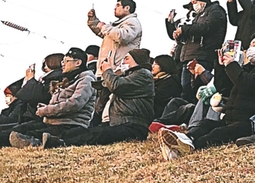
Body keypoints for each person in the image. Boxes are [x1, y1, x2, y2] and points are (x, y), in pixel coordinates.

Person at [157, 32, 255, 158]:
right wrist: (221, 66)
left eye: (254, 45)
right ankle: (185, 139)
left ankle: (188, 146)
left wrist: (232, 65)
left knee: (218, 134)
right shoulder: (247, 68)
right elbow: (224, 88)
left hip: (250, 120)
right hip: (231, 117)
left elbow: (248, 84)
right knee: (205, 124)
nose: (249, 49)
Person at [17, 49, 155, 148]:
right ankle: (53, 141)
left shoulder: (143, 74)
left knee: (97, 135)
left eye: (127, 59)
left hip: (133, 125)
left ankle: (58, 143)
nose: (123, 61)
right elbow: (103, 93)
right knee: (85, 132)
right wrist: (109, 79)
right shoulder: (129, 77)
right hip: (119, 122)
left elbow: (115, 86)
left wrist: (108, 71)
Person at [2, 48, 96, 148]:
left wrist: (46, 110)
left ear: (78, 62)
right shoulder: (69, 79)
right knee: (19, 129)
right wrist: (44, 107)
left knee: (22, 133)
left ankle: (36, 143)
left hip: (69, 124)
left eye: (66, 61)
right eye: (62, 61)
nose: (63, 64)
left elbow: (75, 103)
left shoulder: (86, 80)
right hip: (53, 122)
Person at [87, 0, 143, 126]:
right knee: (100, 101)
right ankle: (96, 126)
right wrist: (93, 20)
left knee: (108, 100)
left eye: (118, 5)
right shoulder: (115, 25)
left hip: (118, 70)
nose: (114, 8)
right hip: (107, 68)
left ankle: (102, 125)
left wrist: (104, 27)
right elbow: (103, 31)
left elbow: (122, 36)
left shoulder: (133, 22)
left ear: (127, 8)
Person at [170, 0, 227, 102]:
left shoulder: (216, 11)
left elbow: (206, 27)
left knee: (195, 90)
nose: (193, 6)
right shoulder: (199, 16)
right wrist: (179, 34)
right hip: (189, 55)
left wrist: (185, 29)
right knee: (185, 89)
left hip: (203, 55)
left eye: (194, 2)